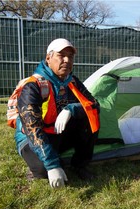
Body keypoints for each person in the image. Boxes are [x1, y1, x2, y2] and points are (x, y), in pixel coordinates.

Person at [14, 38, 100, 188]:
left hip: (56, 132)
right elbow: (32, 128)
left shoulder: (72, 81)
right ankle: (47, 162)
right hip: (31, 138)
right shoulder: (33, 86)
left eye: (70, 56)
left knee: (90, 117)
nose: (67, 60)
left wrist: (71, 109)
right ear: (48, 58)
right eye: (61, 55)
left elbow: (94, 105)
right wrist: (52, 165)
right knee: (43, 170)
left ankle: (79, 165)